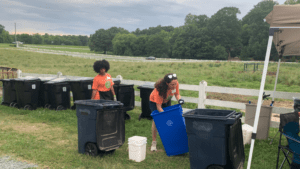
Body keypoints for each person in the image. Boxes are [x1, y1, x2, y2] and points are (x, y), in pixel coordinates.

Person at [149, 73, 184, 151]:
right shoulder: (159, 91)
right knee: (156, 121)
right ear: (167, 83)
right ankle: (154, 142)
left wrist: (179, 99)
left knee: (169, 121)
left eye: (175, 84)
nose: (174, 86)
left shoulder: (175, 84)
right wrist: (166, 116)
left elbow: (177, 94)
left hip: (166, 100)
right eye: (172, 85)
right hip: (155, 103)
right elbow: (159, 107)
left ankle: (170, 140)